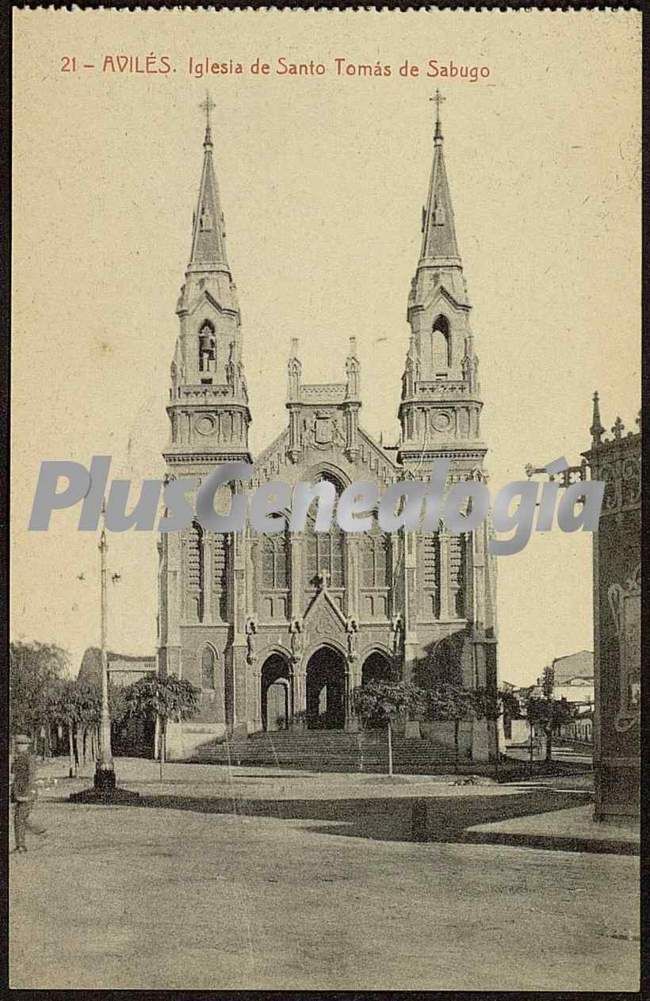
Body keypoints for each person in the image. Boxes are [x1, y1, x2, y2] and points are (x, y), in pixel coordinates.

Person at [11, 734, 46, 853]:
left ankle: (21, 845)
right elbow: (15, 776)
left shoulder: (29, 758)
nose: (18, 746)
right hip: (19, 792)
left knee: (19, 818)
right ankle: (39, 831)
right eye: (17, 744)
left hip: (27, 792)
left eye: (21, 744)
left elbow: (31, 776)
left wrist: (28, 792)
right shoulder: (17, 758)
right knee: (19, 818)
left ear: (26, 745)